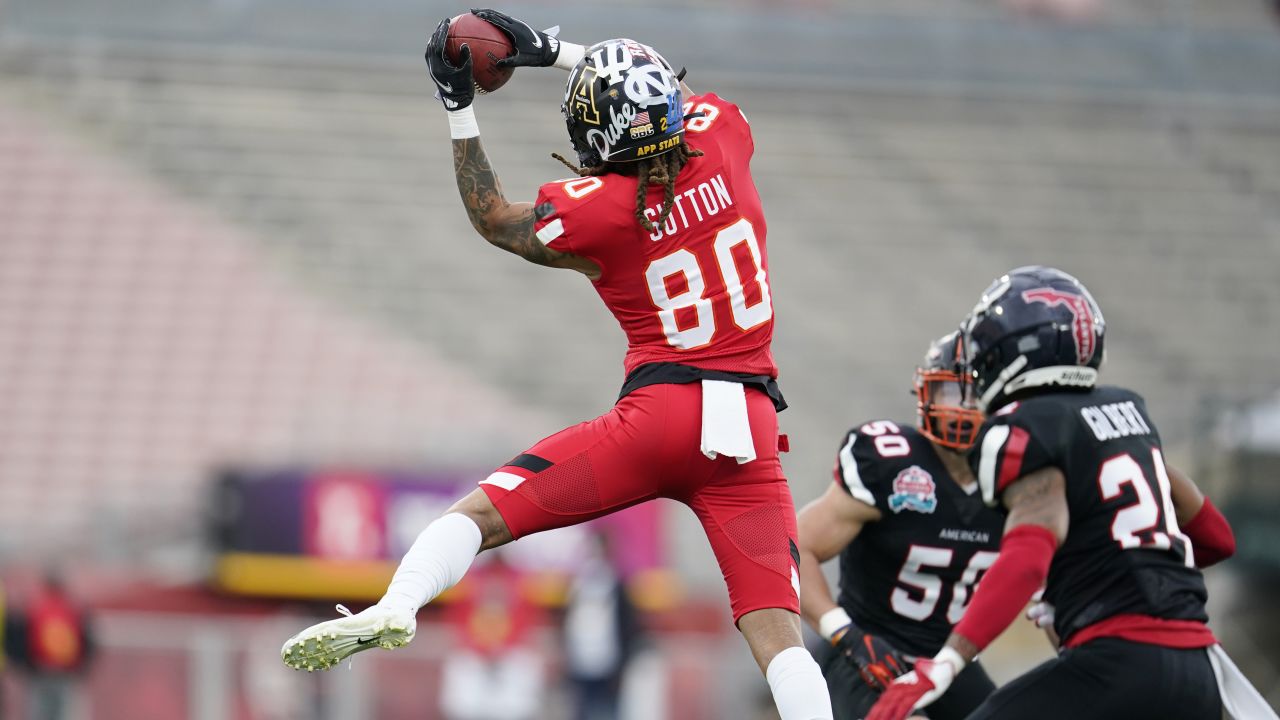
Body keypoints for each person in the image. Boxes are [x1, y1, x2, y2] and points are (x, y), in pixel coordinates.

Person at [280, 9, 833, 719]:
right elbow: (664, 91)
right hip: (750, 427)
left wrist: (460, 105)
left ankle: (398, 601)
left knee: (483, 514)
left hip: (661, 415)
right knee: (776, 632)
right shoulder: (722, 135)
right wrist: (563, 54)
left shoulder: (600, 208)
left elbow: (492, 217)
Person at [868, 266, 1272, 720]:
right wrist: (1107, 569)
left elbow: (1028, 555)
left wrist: (944, 664)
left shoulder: (1029, 425)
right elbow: (1217, 538)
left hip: (1118, 666)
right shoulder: (1127, 413)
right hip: (1199, 673)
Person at [797, 331, 1003, 720]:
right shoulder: (892, 463)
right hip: (868, 651)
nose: (965, 408)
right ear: (927, 393)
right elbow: (795, 547)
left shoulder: (1016, 479)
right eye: (952, 393)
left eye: (977, 393)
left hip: (948, 662)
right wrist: (846, 633)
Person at [562, 531, 641, 720]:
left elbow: (628, 625)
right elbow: (570, 622)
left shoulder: (617, 585)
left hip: (609, 661)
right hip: (581, 659)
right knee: (582, 709)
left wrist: (623, 662)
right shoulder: (578, 584)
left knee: (606, 710)